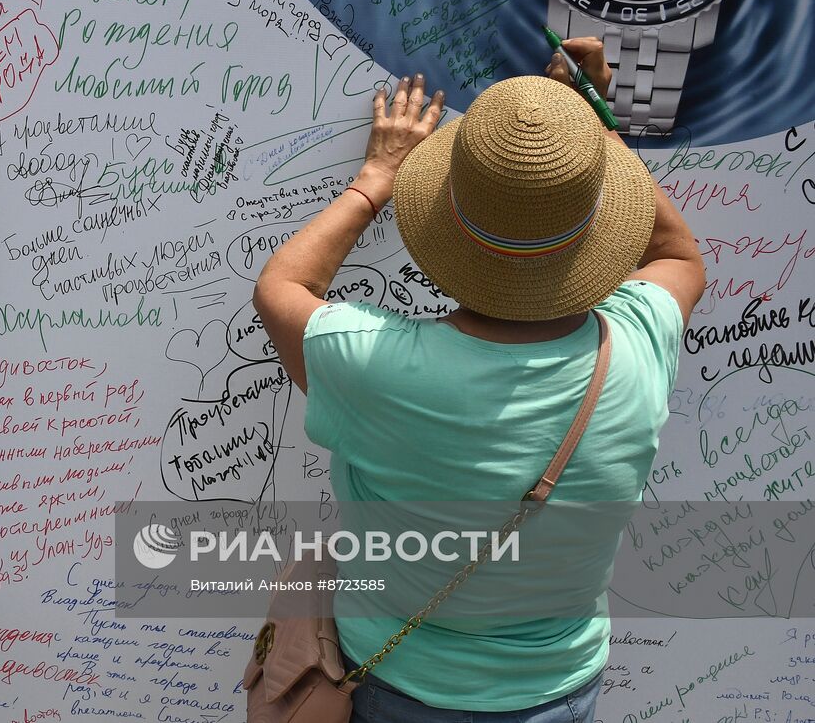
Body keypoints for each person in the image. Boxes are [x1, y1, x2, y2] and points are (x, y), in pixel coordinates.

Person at [252, 39, 704, 720]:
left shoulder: (376, 367)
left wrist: (377, 175)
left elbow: (283, 285)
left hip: (398, 686)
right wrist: (586, 133)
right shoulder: (639, 340)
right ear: (600, 223)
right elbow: (676, 252)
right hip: (561, 692)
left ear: (443, 222)